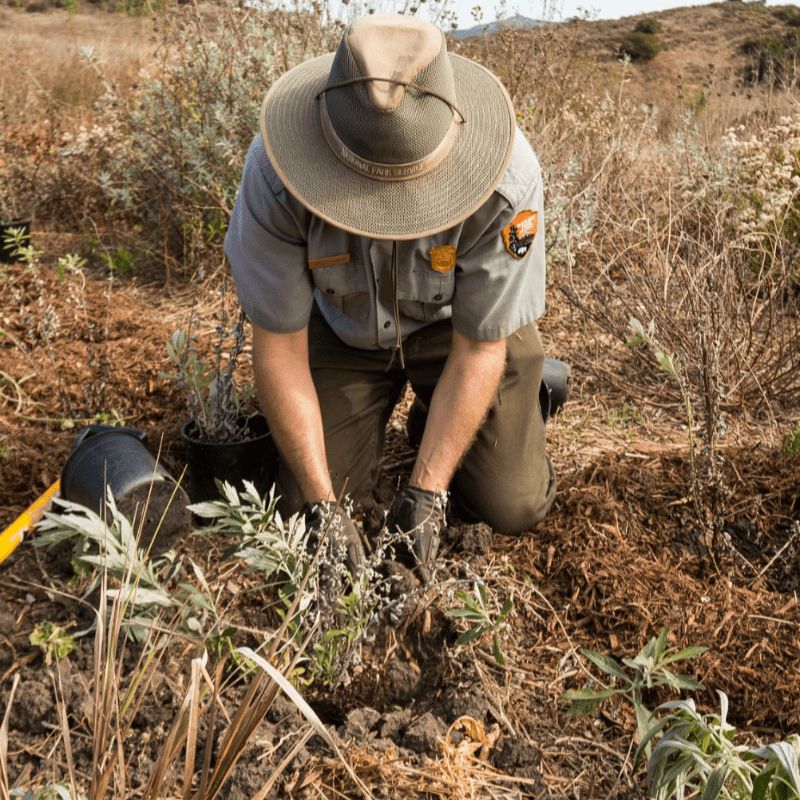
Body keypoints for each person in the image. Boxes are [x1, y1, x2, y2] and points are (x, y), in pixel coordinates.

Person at [224, 12, 566, 576]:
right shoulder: (273, 175)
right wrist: (322, 503)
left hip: (457, 333)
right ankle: (417, 421)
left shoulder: (508, 182)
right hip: (342, 333)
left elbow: (480, 347)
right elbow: (280, 348)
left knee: (512, 504)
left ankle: (522, 391)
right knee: (297, 508)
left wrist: (427, 492)